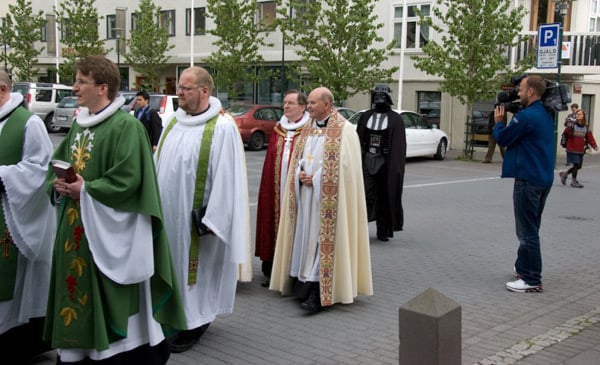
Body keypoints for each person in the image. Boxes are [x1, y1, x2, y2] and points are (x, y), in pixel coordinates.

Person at [44, 55, 186, 364]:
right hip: (75, 228)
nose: (74, 87)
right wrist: (57, 186)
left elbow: (129, 180)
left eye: (81, 81)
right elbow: (55, 165)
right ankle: (75, 348)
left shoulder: (125, 127)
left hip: (109, 230)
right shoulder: (78, 126)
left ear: (103, 87)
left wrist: (88, 189)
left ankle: (110, 349)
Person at [154, 66, 251, 352]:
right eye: (179, 88)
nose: (179, 93)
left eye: (185, 88)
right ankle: (174, 316)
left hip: (199, 221)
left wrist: (214, 219)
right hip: (168, 214)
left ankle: (196, 323)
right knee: (173, 266)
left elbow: (229, 177)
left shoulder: (222, 128)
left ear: (204, 91)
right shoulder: (172, 122)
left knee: (194, 272)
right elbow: (161, 163)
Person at [270, 87, 373, 313]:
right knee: (306, 238)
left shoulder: (345, 131)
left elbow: (346, 168)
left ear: (327, 104)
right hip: (306, 197)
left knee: (321, 242)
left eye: (313, 103)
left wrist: (316, 179)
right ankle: (302, 286)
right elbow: (299, 158)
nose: (308, 107)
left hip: (329, 202)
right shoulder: (307, 129)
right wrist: (299, 174)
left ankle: (319, 292)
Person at [0, 70, 55, 363]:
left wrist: (3, 176)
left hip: (13, 217)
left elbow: (40, 168)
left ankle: (19, 339)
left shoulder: (29, 123)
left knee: (15, 282)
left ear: (3, 89)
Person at [493, 75, 554, 293]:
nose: (517, 93)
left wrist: (499, 123)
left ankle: (531, 279)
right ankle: (523, 268)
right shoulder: (545, 114)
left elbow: (504, 138)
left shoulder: (527, 117)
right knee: (531, 227)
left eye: (520, 89)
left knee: (526, 231)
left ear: (530, 92)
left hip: (528, 179)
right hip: (543, 178)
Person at [255, 90, 310, 288]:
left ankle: (292, 270)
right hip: (275, 186)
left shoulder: (309, 130)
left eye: (291, 103)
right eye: (285, 103)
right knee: (272, 220)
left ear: (302, 107)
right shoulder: (279, 128)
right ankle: (271, 269)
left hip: (298, 189)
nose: (286, 106)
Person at [356, 84, 406, 241]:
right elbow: (358, 138)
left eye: (382, 96)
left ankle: (383, 230)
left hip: (385, 162)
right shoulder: (366, 116)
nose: (379, 98)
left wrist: (395, 168)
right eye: (377, 95)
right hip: (367, 160)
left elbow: (398, 146)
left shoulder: (395, 119)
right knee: (365, 194)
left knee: (385, 196)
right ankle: (360, 228)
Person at [559, 109, 598, 188]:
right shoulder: (572, 125)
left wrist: (594, 146)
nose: (578, 115)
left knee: (579, 166)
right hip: (572, 148)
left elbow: (590, 137)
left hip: (580, 149)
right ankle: (574, 181)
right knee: (576, 164)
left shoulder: (586, 127)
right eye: (577, 114)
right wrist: (569, 123)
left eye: (580, 114)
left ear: (583, 116)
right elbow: (566, 133)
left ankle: (564, 174)